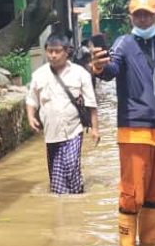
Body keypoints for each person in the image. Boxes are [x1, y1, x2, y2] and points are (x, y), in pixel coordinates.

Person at [90, 0, 155, 246]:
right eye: (138, 15)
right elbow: (111, 70)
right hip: (134, 132)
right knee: (131, 194)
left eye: (148, 14)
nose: (144, 19)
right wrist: (99, 67)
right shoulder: (124, 45)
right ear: (131, 17)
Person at [26, 34, 100, 194]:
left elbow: (91, 104)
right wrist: (30, 117)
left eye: (57, 51)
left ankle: (74, 200)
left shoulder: (80, 74)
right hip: (51, 133)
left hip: (73, 130)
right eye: (50, 51)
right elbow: (31, 100)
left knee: (71, 164)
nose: (53, 55)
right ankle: (68, 202)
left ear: (67, 52)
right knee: (57, 181)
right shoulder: (39, 75)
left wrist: (95, 129)